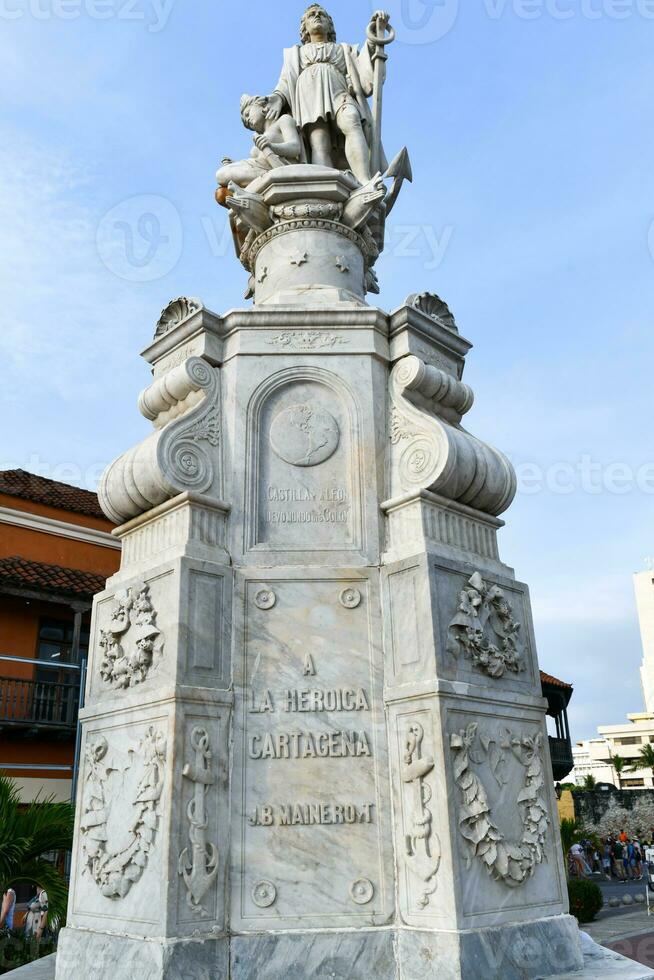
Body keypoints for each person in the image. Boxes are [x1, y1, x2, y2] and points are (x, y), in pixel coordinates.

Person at [264, 5, 388, 184]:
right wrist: (278, 98)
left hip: (339, 90)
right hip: (309, 95)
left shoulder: (344, 50)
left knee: (352, 120)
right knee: (319, 141)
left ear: (330, 26)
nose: (316, 16)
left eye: (321, 14)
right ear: (304, 28)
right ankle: (323, 184)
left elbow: (364, 72)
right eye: (311, 15)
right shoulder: (295, 53)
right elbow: (286, 80)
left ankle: (364, 181)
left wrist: (374, 37)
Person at [216, 95, 304, 193]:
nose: (248, 120)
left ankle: (259, 182)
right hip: (260, 168)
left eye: (248, 114)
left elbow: (295, 148)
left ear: (261, 105)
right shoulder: (257, 141)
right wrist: (234, 165)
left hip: (278, 166)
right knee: (223, 174)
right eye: (247, 123)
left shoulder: (283, 120)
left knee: (221, 174)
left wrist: (271, 146)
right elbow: (256, 163)